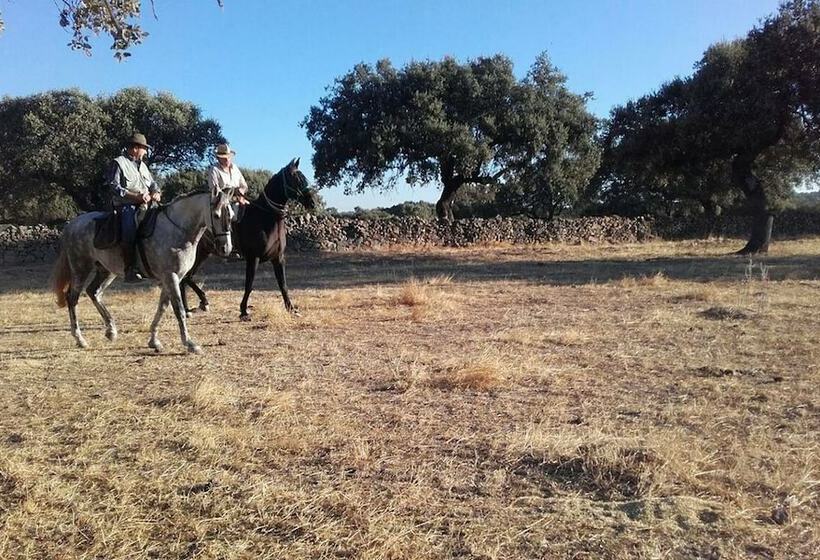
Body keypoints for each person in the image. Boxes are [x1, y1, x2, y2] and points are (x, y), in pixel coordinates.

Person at [107, 133, 161, 282]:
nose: (145, 152)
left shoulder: (143, 166)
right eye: (144, 149)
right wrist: (134, 197)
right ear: (135, 148)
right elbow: (113, 186)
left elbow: (152, 183)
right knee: (129, 231)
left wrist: (156, 192)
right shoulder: (118, 162)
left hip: (146, 204)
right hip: (126, 205)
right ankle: (129, 269)